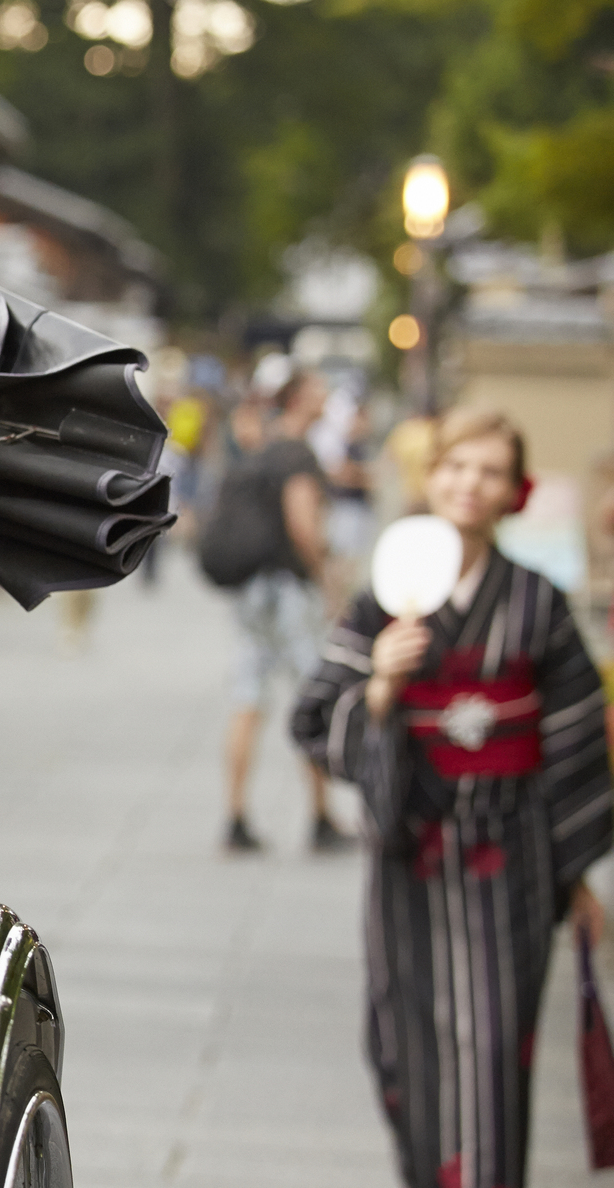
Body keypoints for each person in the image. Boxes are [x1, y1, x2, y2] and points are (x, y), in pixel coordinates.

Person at [292, 407, 611, 1188]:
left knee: (497, 1050)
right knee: (408, 1047)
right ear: (431, 476)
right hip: (413, 852)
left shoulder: (537, 601)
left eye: (491, 472)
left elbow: (573, 738)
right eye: (456, 466)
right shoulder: (382, 599)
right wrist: (381, 688)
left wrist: (575, 873)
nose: (470, 484)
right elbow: (311, 717)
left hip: (514, 856)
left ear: (514, 491)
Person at [212, 365, 347, 851]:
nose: (326, 395)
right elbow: (304, 526)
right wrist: (327, 580)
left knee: (248, 696)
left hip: (252, 591)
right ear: (297, 400)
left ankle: (236, 816)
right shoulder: (297, 453)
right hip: (287, 590)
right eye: (318, 389)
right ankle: (321, 817)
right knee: (312, 694)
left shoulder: (264, 449)